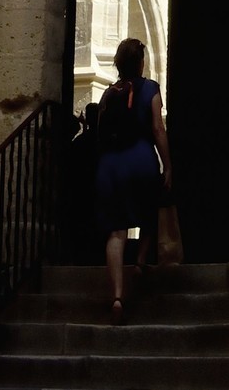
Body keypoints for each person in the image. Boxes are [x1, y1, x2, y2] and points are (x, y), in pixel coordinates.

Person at [93, 37, 171, 323]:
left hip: (110, 164)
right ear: (140, 63)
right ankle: (139, 262)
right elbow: (158, 128)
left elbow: (99, 132)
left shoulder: (107, 94)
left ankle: (116, 296)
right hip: (139, 157)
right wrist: (168, 165)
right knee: (149, 211)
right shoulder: (150, 88)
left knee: (116, 232)